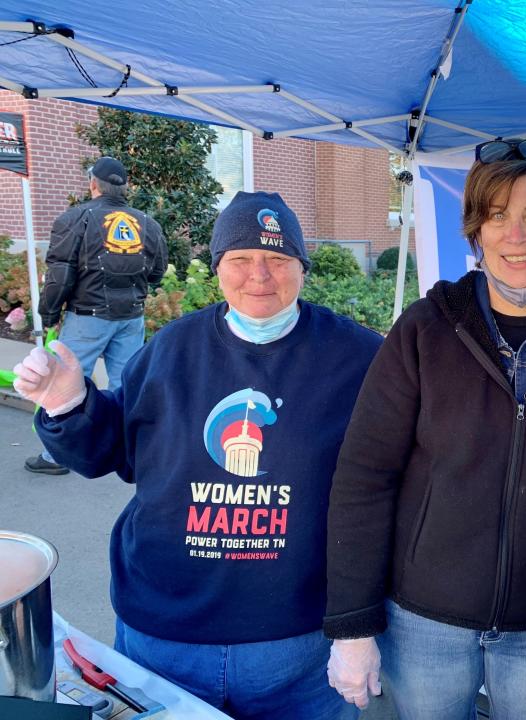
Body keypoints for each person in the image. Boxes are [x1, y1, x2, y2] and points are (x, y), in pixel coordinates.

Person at [13, 191, 381, 720]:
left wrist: (358, 627)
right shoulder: (170, 351)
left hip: (298, 646)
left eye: (278, 260)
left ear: (303, 267)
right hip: (165, 636)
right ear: (217, 267)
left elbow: (385, 491)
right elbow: (107, 452)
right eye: (240, 260)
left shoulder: (358, 358)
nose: (260, 275)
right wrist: (67, 403)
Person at [323, 138, 526, 719]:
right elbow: (364, 476)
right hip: (423, 626)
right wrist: (352, 625)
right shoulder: (425, 330)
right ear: (476, 229)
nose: (516, 234)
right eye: (498, 215)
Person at [25, 156, 167, 475]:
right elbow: (156, 273)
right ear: (124, 187)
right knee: (129, 383)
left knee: (64, 384)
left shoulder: (75, 218)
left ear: (93, 185)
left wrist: (48, 313)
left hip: (87, 315)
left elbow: (60, 276)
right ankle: (139, 448)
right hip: (131, 316)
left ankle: (56, 457)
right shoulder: (148, 223)